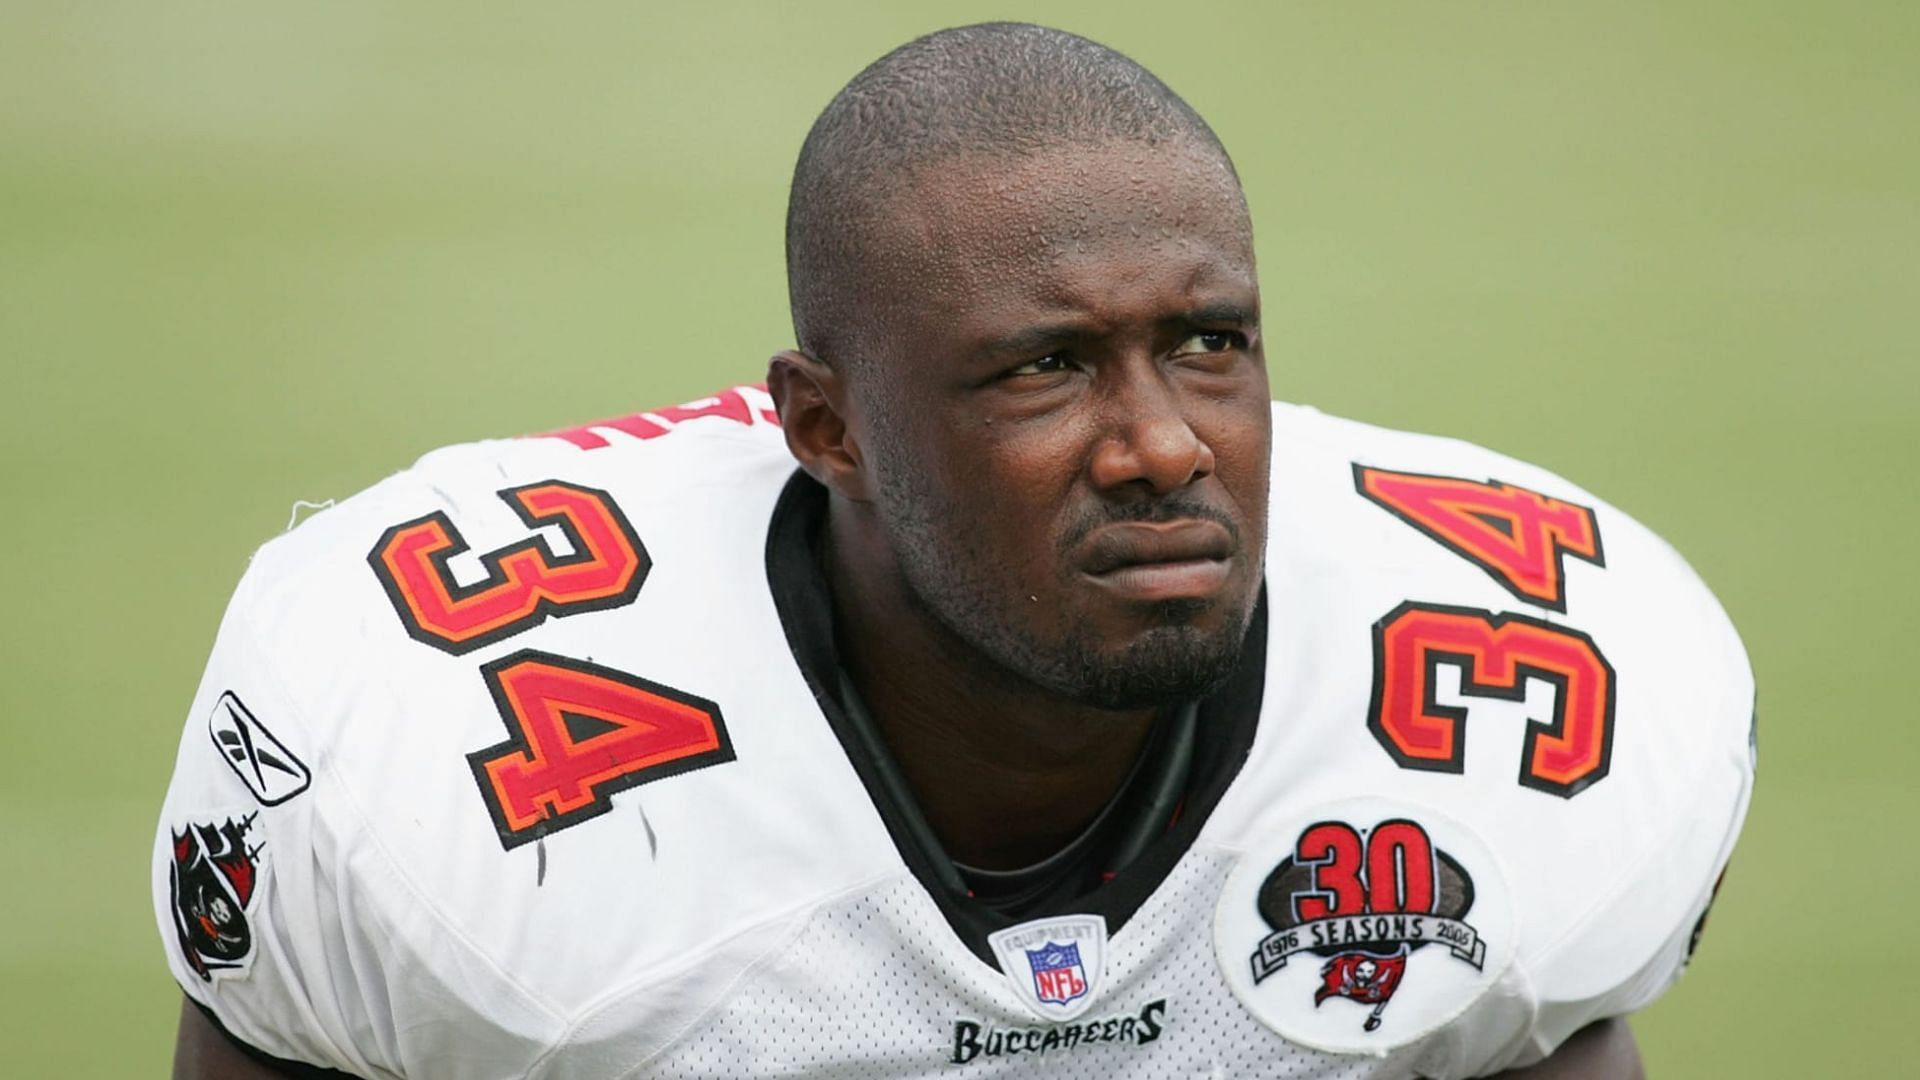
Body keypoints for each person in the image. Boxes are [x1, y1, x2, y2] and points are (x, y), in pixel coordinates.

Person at [155, 22, 1753, 1079]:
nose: (1164, 446)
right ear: (826, 429)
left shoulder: (1538, 688)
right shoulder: (425, 768)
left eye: (1210, 343)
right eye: (1041, 369)